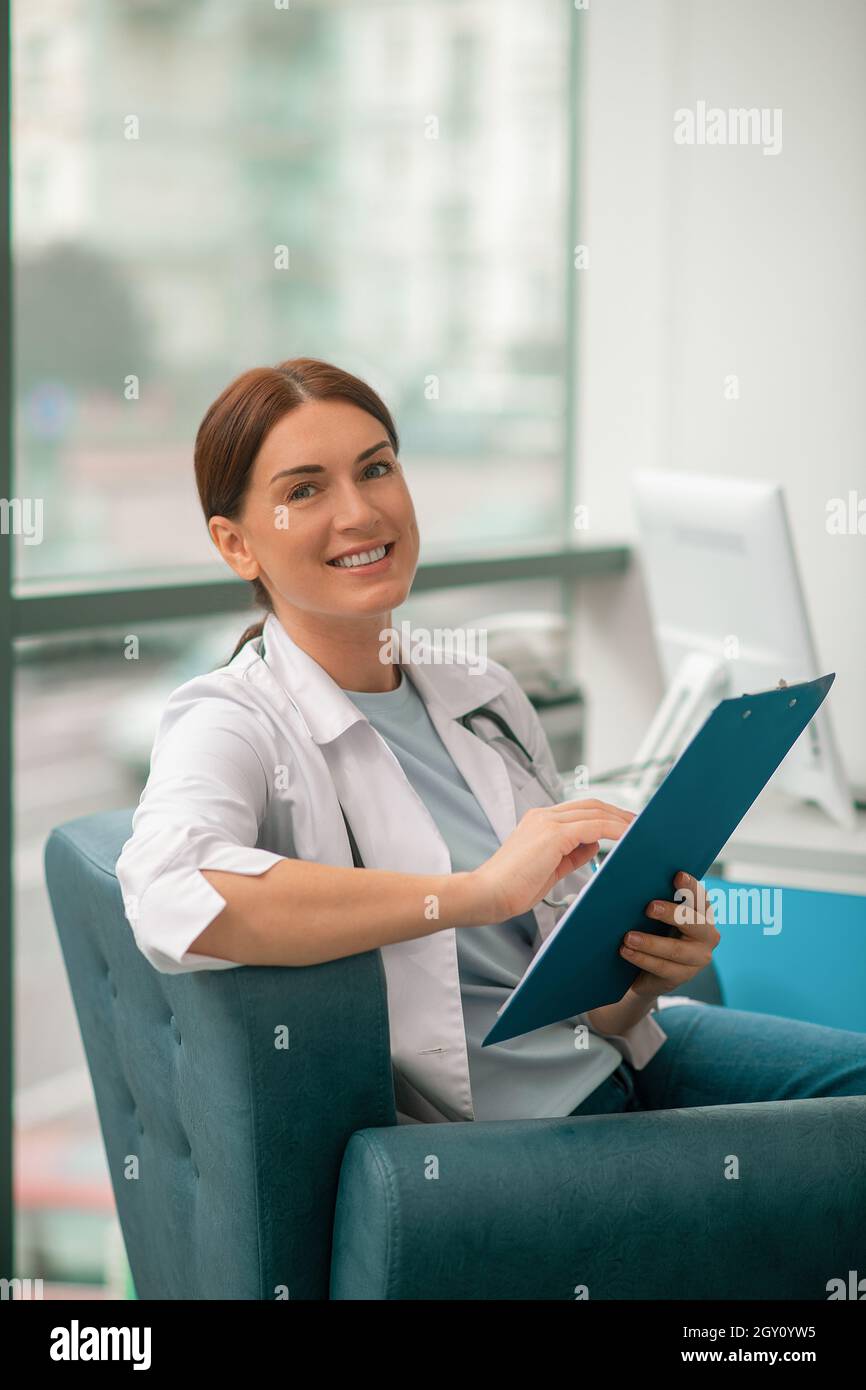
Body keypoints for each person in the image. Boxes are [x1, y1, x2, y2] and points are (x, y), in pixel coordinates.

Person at [115, 357, 866, 1125]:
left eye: (375, 469)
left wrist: (640, 979)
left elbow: (570, 1000)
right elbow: (168, 889)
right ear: (237, 544)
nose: (361, 513)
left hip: (615, 1052)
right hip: (507, 1136)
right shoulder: (231, 719)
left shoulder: (485, 692)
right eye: (304, 490)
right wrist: (476, 893)